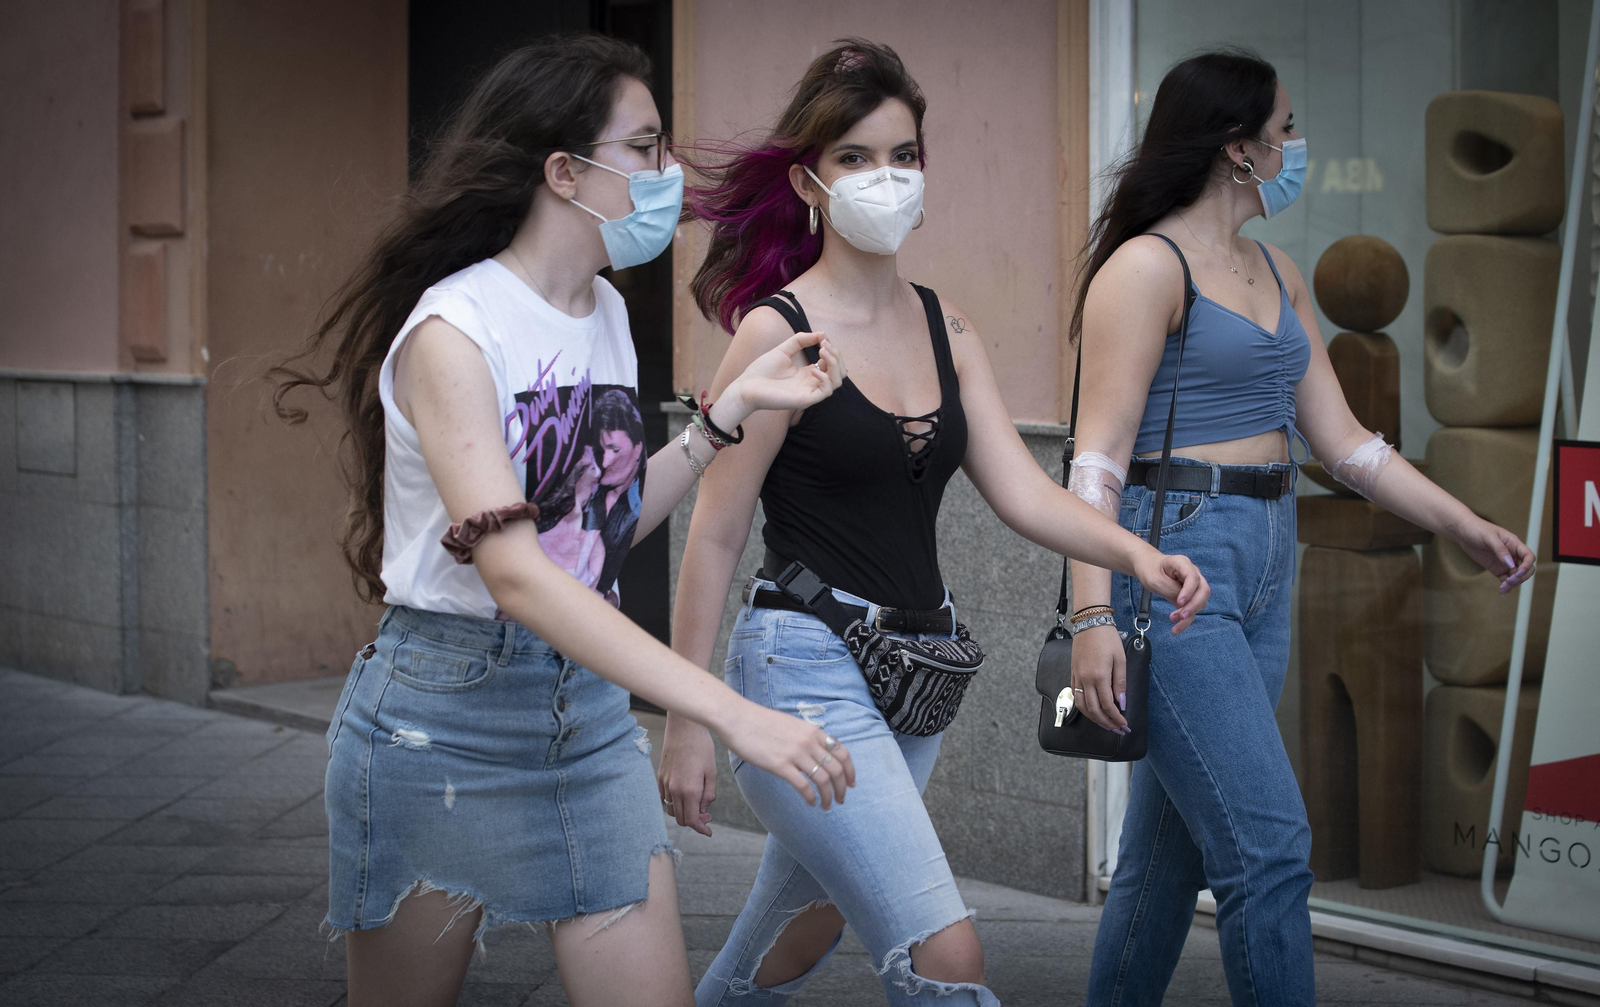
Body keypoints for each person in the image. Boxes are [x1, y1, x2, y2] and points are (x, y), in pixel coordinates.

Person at [272, 35, 856, 1007]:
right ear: (564, 171)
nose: (668, 174)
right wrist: (722, 708)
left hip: (584, 720)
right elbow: (516, 574)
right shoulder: (455, 330)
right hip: (439, 723)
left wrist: (724, 415)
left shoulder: (606, 314)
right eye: (646, 147)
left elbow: (599, 530)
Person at [656, 39, 1212, 1007]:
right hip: (802, 669)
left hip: (915, 677)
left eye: (904, 155)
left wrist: (1133, 552)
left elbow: (1022, 490)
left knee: (802, 921)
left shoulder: (946, 324)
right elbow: (711, 531)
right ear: (809, 182)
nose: (887, 178)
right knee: (945, 951)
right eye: (857, 158)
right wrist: (689, 719)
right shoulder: (776, 330)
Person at [1067, 49, 1537, 1006]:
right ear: (1236, 147)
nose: (1296, 146)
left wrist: (1464, 522)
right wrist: (1090, 619)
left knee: (1166, 858)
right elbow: (1095, 464)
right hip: (1172, 561)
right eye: (1285, 130)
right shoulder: (1144, 268)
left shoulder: (1276, 269)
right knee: (1271, 846)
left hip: (1267, 557)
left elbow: (1347, 443)